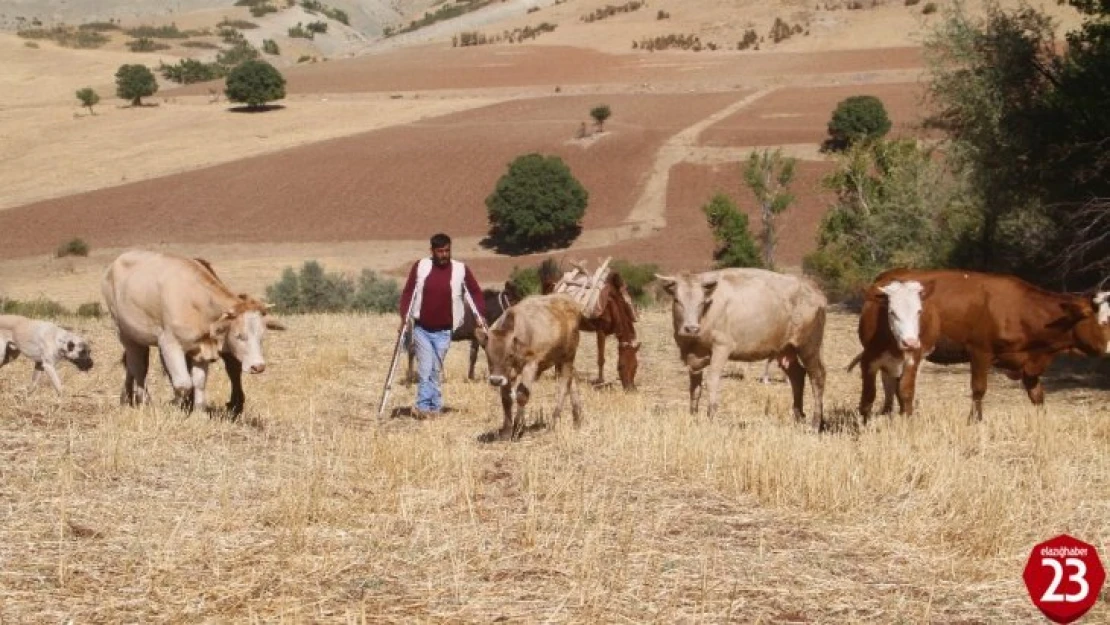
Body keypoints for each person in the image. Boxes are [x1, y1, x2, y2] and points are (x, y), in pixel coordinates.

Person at [398, 233, 486, 419]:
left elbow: (475, 292)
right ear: (432, 251)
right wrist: (404, 318)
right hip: (422, 328)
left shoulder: (460, 269)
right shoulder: (421, 266)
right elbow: (408, 293)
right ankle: (424, 407)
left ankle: (434, 407)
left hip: (445, 331)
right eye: (440, 251)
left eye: (447, 250)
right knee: (425, 368)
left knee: (435, 370)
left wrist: (480, 315)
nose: (444, 255)